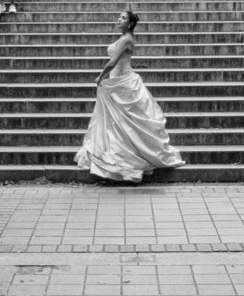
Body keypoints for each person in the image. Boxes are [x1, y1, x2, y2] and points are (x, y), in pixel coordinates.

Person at [74, 10, 184, 183]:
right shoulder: (125, 37)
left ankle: (124, 158)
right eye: (119, 16)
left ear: (131, 23)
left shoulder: (126, 39)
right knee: (118, 123)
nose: (119, 19)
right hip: (119, 82)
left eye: (123, 18)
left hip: (122, 82)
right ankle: (118, 155)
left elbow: (113, 62)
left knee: (123, 123)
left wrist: (100, 76)